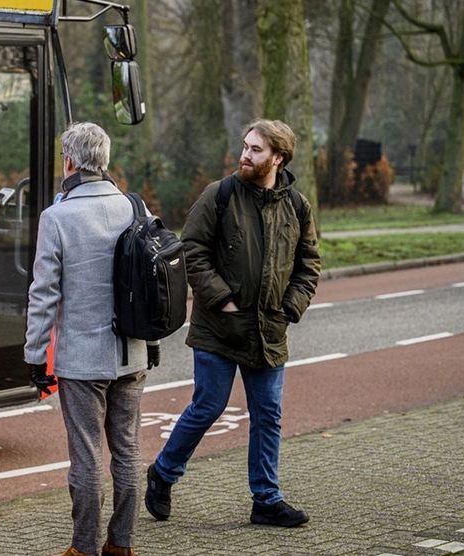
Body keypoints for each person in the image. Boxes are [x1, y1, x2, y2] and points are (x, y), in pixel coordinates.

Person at [145, 118, 321, 527]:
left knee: (268, 414)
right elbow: (189, 249)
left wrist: (290, 306)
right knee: (209, 405)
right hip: (218, 328)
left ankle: (266, 499)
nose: (245, 154)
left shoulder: (296, 206)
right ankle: (163, 473)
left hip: (269, 330)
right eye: (245, 146)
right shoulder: (219, 195)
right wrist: (220, 297)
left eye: (256, 149)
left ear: (278, 157)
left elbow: (309, 263)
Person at [25, 122, 158, 556]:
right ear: (103, 160)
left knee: (85, 458)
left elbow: (44, 293)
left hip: (82, 360)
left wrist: (33, 355)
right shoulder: (134, 208)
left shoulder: (58, 217)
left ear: (68, 162)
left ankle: (82, 548)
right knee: (127, 452)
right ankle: (121, 545)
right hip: (132, 354)